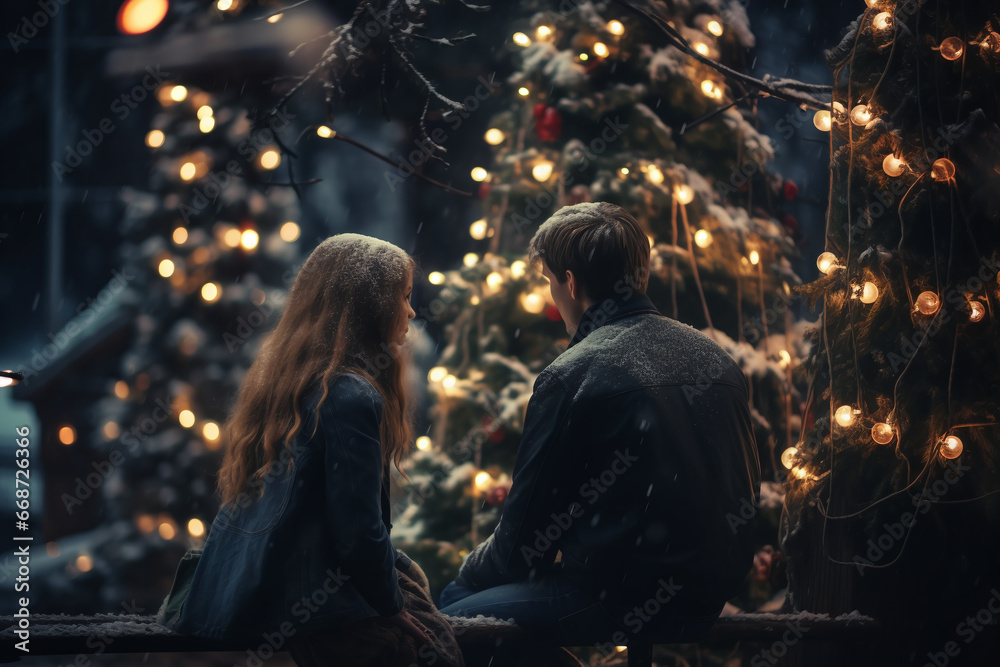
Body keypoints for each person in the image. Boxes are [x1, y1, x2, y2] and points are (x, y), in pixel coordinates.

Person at [438, 202, 761, 649]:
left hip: (616, 597)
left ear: (569, 282)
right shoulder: (716, 359)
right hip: (710, 595)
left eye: (550, 282)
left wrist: (468, 573)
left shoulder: (573, 374)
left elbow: (520, 547)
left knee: (449, 615)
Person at [163, 234, 463, 667]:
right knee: (432, 650)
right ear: (369, 305)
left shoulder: (295, 380)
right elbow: (358, 532)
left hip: (256, 588)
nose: (412, 311)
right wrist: (392, 607)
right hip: (306, 604)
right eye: (403, 297)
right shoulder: (350, 394)